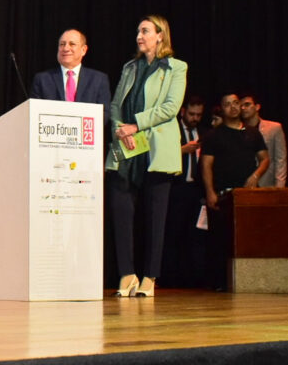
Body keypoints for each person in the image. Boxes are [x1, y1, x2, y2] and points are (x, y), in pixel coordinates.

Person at [105, 15, 187, 298]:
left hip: (156, 147)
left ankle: (150, 276)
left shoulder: (176, 67)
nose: (139, 36)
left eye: (145, 31)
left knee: (155, 217)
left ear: (160, 35)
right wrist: (120, 128)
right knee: (121, 212)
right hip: (127, 147)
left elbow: (170, 108)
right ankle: (127, 274)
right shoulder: (130, 67)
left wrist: (136, 124)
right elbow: (116, 103)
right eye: (138, 31)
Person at [200, 92, 269, 290]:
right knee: (220, 240)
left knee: (248, 238)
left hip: (247, 195)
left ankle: (248, 281)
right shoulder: (214, 135)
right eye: (228, 104)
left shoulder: (252, 133)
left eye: (236, 103)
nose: (233, 107)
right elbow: (206, 165)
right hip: (223, 194)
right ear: (221, 109)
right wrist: (210, 191)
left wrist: (255, 176)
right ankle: (220, 283)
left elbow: (265, 158)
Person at [161, 94, 208, 288]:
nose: (195, 118)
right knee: (173, 234)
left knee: (194, 236)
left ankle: (193, 278)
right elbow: (160, 152)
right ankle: (170, 278)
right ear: (183, 112)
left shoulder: (203, 132)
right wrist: (182, 150)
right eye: (192, 113)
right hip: (176, 188)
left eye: (198, 114)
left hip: (196, 191)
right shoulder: (173, 129)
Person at [30, 28, 111, 119]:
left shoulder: (98, 79)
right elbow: (34, 112)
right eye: (62, 44)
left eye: (72, 44)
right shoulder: (42, 79)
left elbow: (104, 113)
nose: (66, 48)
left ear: (83, 50)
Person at [240, 93, 287, 187]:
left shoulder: (274, 128)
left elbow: (280, 159)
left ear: (257, 107)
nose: (243, 108)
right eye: (241, 106)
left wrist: (280, 186)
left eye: (247, 104)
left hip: (267, 182)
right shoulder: (239, 129)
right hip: (244, 183)